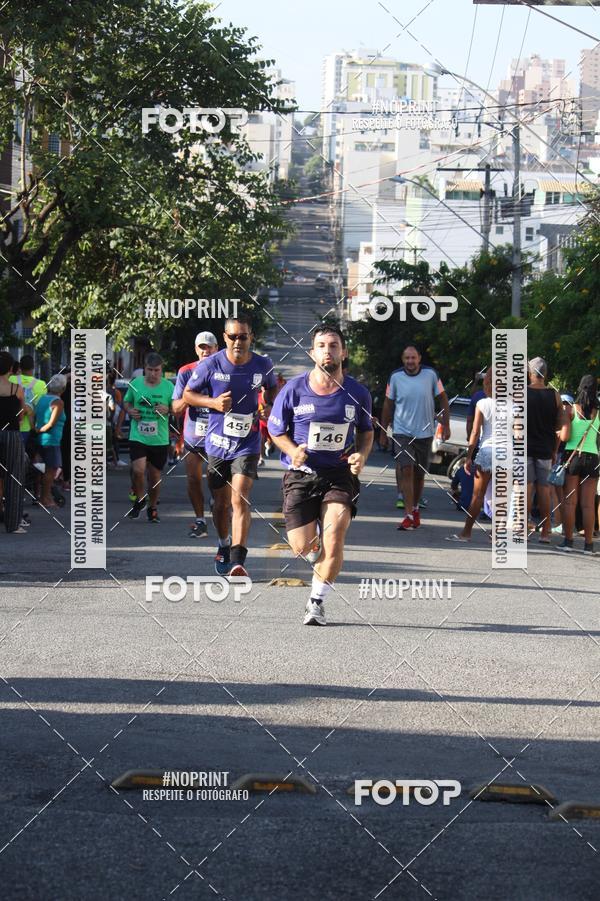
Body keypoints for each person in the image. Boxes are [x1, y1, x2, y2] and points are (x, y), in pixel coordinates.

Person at [268, 325, 374, 626]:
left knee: (335, 534)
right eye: (322, 346)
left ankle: (316, 602)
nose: (328, 351)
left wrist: (361, 455)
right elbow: (275, 429)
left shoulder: (358, 393)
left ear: (344, 352)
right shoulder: (294, 389)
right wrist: (292, 450)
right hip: (302, 475)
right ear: (312, 353)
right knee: (301, 547)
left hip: (339, 474)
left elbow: (366, 432)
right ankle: (314, 549)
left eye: (334, 345)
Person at [183, 314, 278, 576]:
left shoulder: (263, 365)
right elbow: (188, 395)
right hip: (216, 444)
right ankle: (224, 544)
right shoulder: (210, 365)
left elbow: (272, 389)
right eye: (233, 336)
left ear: (251, 337)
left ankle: (238, 559)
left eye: (243, 336)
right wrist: (212, 403)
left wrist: (268, 405)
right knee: (220, 504)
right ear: (225, 338)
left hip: (247, 443)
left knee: (240, 497)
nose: (238, 341)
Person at [380, 345, 450, 530]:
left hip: (425, 433)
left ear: (419, 358)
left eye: (413, 358)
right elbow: (388, 404)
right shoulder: (395, 377)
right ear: (402, 360)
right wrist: (383, 432)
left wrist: (446, 425)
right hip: (402, 432)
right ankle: (409, 514)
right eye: (407, 358)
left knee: (419, 474)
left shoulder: (431, 375)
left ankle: (416, 509)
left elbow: (443, 399)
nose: (410, 361)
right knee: (407, 469)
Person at [172, 331, 219, 538]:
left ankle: (217, 504)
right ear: (196, 350)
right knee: (192, 478)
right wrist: (190, 397)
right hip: (194, 434)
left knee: (215, 478)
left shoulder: (225, 370)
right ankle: (200, 520)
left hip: (218, 433)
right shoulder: (186, 371)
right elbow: (176, 408)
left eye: (209, 347)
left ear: (216, 348)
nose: (205, 351)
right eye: (202, 347)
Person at [123, 352, 174, 523]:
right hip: (138, 436)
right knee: (138, 470)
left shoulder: (168, 387)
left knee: (154, 477)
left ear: (161, 370)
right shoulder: (136, 384)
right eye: (150, 370)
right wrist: (130, 410)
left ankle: (152, 507)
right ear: (144, 369)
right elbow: (127, 402)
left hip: (159, 438)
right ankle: (139, 500)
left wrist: (168, 409)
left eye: (156, 370)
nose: (153, 374)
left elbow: (178, 407)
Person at [446, 368, 494, 542]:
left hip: (487, 450)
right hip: (508, 454)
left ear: (487, 382)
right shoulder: (515, 406)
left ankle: (466, 532)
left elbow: (475, 432)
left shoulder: (483, 403)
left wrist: (469, 456)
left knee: (478, 495)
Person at [558, 375, 599, 554]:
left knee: (570, 502)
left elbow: (565, 437)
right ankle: (589, 545)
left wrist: (560, 432)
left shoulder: (571, 410)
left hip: (573, 457)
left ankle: (568, 541)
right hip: (592, 458)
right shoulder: (598, 413)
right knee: (588, 505)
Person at [526, 357, 564, 543]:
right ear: (545, 374)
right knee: (544, 490)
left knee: (525, 488)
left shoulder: (521, 393)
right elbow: (560, 425)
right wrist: (554, 450)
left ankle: (522, 529)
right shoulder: (555, 395)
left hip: (524, 448)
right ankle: (545, 532)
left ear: (530, 373)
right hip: (545, 449)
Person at [0, 352, 27, 532]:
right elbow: (21, 414)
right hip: (11, 434)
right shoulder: (16, 388)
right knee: (14, 478)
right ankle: (13, 524)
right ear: (11, 368)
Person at [35, 373, 67, 509]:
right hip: (51, 439)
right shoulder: (58, 402)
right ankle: (45, 498)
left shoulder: (42, 398)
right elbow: (51, 423)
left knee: (41, 470)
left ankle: (42, 496)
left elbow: (35, 416)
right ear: (63, 389)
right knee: (51, 470)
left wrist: (36, 430)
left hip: (41, 439)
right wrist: (40, 430)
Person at [9, 355, 46, 450]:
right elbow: (41, 408)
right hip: (31, 428)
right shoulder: (41, 384)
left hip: (12, 426)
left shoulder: (11, 379)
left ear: (20, 367)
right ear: (33, 367)